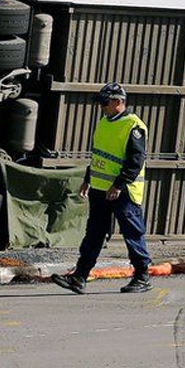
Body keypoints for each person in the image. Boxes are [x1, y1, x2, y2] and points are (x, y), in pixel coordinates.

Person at [52, 82, 152, 295]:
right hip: (99, 189)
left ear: (119, 101)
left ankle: (142, 276)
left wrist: (118, 184)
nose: (102, 107)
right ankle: (79, 277)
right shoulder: (104, 122)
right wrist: (88, 179)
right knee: (94, 234)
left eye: (105, 103)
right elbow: (98, 155)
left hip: (123, 191)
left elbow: (135, 161)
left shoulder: (133, 126)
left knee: (132, 233)